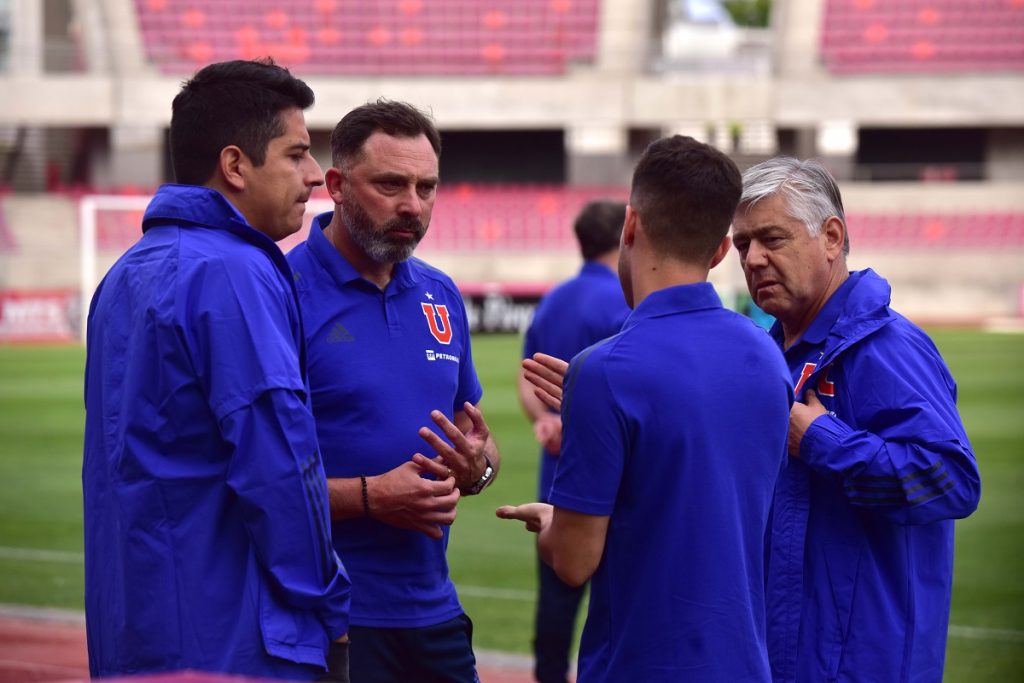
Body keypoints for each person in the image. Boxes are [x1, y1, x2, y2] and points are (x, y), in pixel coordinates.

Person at [82, 59, 350, 680]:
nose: (314, 176)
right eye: (297, 153)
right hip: (235, 638)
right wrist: (331, 606)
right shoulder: (235, 271)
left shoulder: (120, 276)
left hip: (133, 626)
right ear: (235, 165)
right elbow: (280, 462)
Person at [497, 135, 793, 682]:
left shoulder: (604, 371)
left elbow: (573, 560)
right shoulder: (766, 356)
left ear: (630, 227)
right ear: (722, 249)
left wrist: (551, 523)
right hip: (745, 664)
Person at [730, 157, 982, 682]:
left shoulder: (887, 348)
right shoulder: (765, 357)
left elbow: (955, 482)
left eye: (771, 238)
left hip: (867, 663)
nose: (753, 259)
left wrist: (825, 439)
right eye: (741, 244)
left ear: (831, 236)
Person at [286, 99, 501, 683]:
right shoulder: (283, 293)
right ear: (336, 185)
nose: (413, 205)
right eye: (391, 184)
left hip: (435, 611)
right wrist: (371, 497)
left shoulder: (440, 293)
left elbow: (478, 439)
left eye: (426, 187)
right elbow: (253, 481)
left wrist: (476, 467)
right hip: (331, 620)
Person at [517, 199, 629, 683]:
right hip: (611, 481)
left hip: (555, 478)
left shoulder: (553, 299)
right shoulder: (626, 300)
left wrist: (545, 420)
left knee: (556, 600)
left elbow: (526, 377)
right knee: (620, 605)